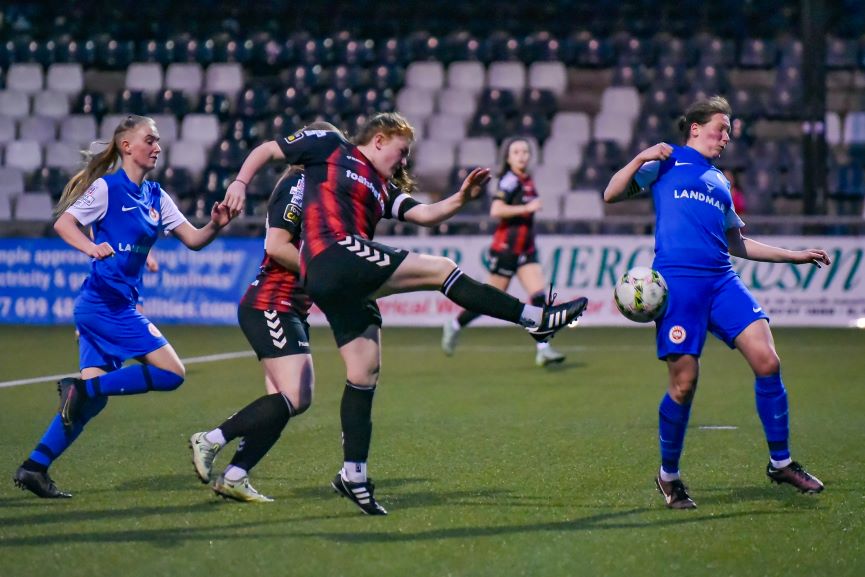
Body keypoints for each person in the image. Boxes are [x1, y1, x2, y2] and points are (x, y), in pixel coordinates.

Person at [221, 112, 588, 515]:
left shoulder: (381, 188)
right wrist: (239, 182)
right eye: (401, 150)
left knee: (364, 371)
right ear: (379, 139)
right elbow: (269, 149)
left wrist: (461, 199)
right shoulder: (331, 148)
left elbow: (426, 214)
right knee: (442, 269)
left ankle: (353, 475)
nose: (403, 161)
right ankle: (533, 319)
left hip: (336, 278)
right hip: (332, 255)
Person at [603, 95, 829, 510]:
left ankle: (780, 463)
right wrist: (640, 157)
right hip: (679, 285)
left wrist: (793, 254)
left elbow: (736, 243)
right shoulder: (665, 164)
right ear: (695, 127)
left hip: (722, 281)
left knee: (768, 361)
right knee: (684, 383)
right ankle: (668, 477)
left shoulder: (720, 181)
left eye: (728, 132)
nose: (725, 137)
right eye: (720, 128)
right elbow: (611, 193)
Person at [13, 114, 234, 498]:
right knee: (173, 372)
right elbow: (64, 225)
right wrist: (90, 245)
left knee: (90, 404)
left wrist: (215, 224)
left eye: (159, 140)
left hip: (106, 306)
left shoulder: (156, 196)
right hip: (105, 307)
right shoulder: (106, 189)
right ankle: (81, 389)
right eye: (149, 139)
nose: (158, 147)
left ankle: (34, 467)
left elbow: (194, 240)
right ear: (126, 146)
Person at [188, 122, 338, 503]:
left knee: (281, 404)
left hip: (290, 308)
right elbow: (276, 247)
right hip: (272, 303)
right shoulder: (298, 185)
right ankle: (210, 439)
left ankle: (236, 475)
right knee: (299, 396)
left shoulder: (319, 193)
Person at [441, 137, 567, 367]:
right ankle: (455, 324)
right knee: (489, 300)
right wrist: (526, 208)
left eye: (525, 152)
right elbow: (496, 209)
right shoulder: (509, 181)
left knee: (539, 295)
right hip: (506, 249)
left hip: (525, 250)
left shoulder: (527, 180)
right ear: (508, 157)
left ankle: (543, 349)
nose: (522, 156)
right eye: (516, 152)